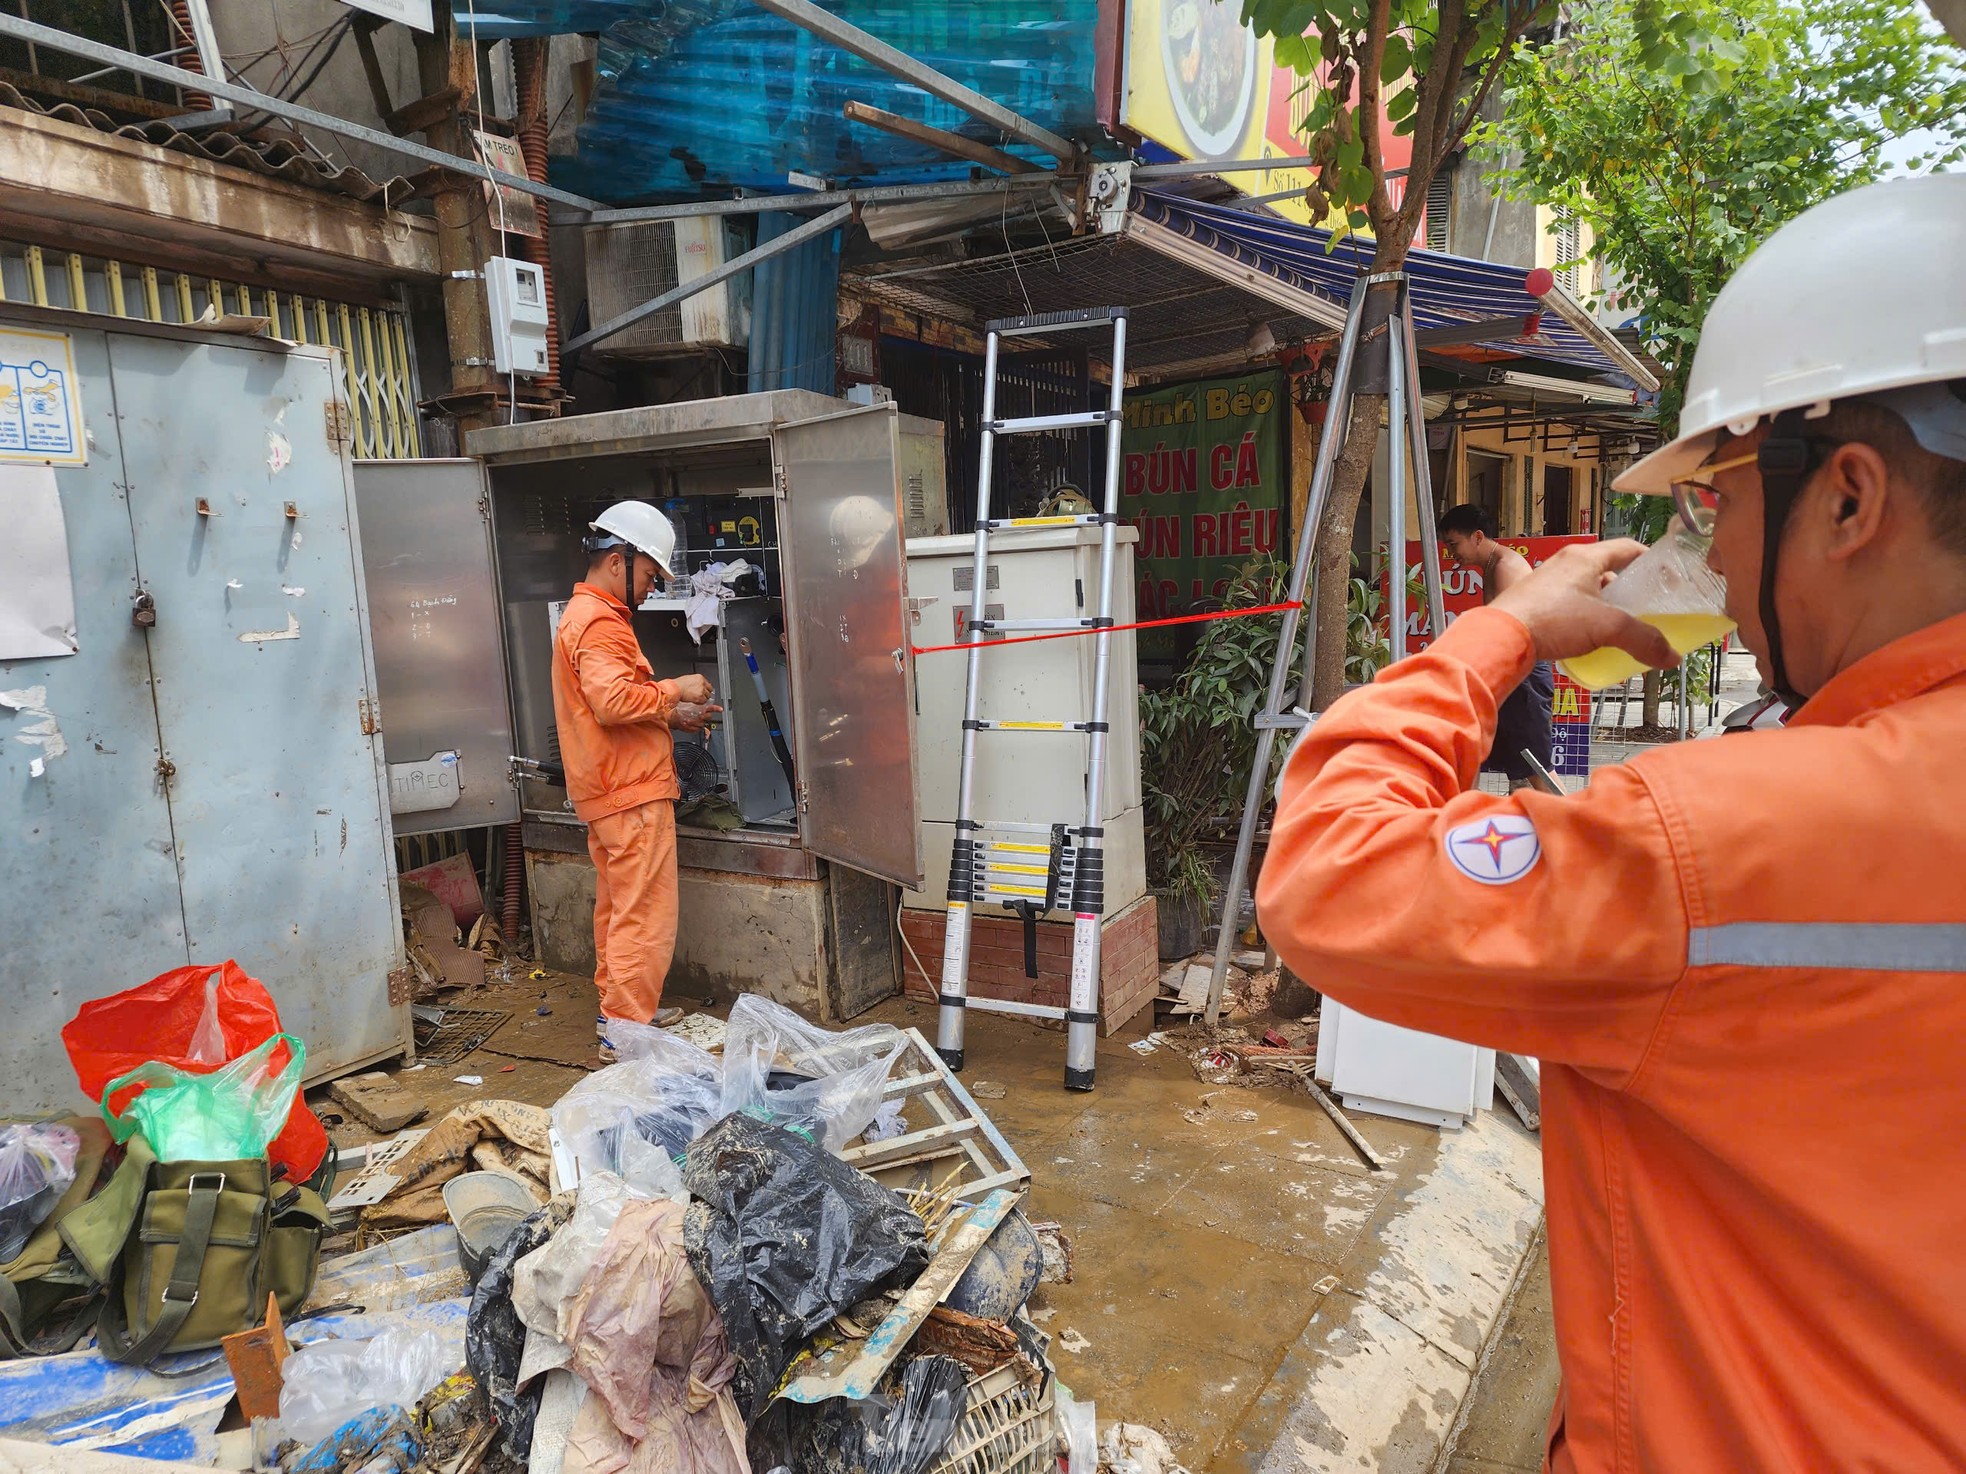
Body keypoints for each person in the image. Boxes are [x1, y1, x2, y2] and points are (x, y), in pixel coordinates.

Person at [1256, 173, 1966, 1471]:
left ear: (1849, 497)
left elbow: (1323, 870)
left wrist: (1502, 630)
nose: (1701, 541)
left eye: (1720, 496)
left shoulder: (1706, 845)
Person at [552, 501, 721, 1054]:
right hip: (629, 792)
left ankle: (620, 1017)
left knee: (620, 910)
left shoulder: (588, 618)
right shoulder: (599, 622)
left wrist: (671, 716)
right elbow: (611, 700)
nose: (651, 587)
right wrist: (679, 690)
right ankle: (625, 1031)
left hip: (608, 788)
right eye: (650, 574)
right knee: (644, 915)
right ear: (618, 561)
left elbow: (618, 705)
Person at [1438, 503, 1554, 788]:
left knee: (1534, 764)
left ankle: (1566, 825)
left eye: (1454, 544)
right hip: (1511, 675)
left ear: (1477, 536)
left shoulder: (1504, 567)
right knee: (1514, 761)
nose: (1452, 553)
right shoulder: (1492, 565)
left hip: (1523, 675)